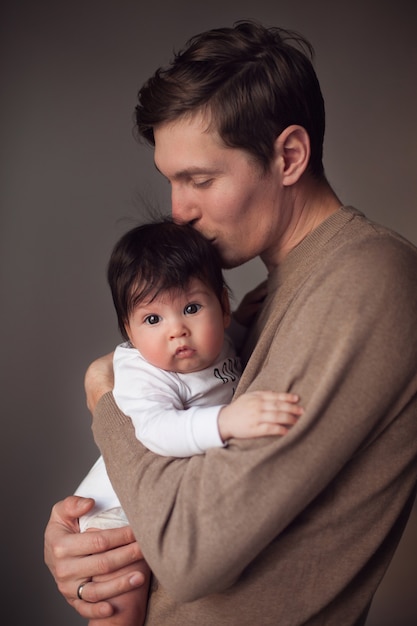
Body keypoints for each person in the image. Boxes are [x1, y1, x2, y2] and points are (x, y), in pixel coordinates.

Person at [44, 19, 417, 625]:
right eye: (171, 181)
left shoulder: (366, 281)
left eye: (200, 179)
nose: (178, 212)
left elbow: (190, 552)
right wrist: (93, 544)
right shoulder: (266, 299)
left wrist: (107, 406)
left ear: (289, 156)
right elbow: (179, 500)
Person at [73, 218, 302, 625]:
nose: (177, 330)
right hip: (116, 509)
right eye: (152, 320)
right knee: (118, 611)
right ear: (128, 330)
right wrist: (225, 422)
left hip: (162, 499)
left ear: (223, 306)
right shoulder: (143, 372)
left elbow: (225, 346)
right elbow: (156, 431)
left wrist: (247, 317)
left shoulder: (214, 342)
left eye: (192, 308)